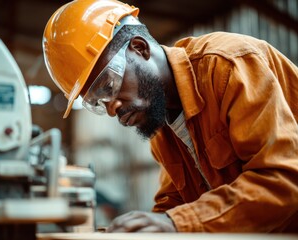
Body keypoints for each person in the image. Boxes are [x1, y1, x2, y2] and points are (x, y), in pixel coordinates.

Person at [42, 0, 298, 233]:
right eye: (98, 102)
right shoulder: (161, 122)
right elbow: (176, 203)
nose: (112, 109)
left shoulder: (226, 67)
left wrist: (177, 223)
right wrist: (136, 231)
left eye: (109, 86)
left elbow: (284, 182)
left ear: (139, 49)